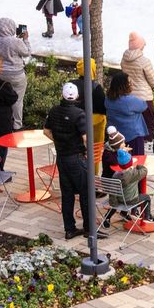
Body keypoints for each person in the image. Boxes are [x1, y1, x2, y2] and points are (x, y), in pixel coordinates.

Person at [44, 82, 102, 241]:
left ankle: (69, 229)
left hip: (62, 158)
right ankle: (89, 229)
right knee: (86, 193)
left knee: (67, 194)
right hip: (76, 158)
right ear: (76, 96)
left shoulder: (54, 111)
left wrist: (59, 142)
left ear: (63, 95)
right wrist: (88, 155)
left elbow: (46, 131)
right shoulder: (79, 113)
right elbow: (85, 139)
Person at [0, 17, 31, 131]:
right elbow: (26, 52)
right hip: (17, 75)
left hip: (0, 73)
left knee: (3, 98)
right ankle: (17, 125)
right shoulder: (16, 41)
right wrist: (25, 39)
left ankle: (4, 120)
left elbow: (5, 47)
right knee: (17, 100)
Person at [121, 33, 154, 146]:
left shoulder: (124, 59)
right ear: (140, 46)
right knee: (148, 125)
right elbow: (153, 82)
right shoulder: (144, 61)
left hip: (129, 97)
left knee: (133, 126)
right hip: (144, 98)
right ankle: (146, 149)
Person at [105, 70, 149, 155]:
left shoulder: (108, 99)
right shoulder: (129, 101)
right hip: (133, 137)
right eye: (129, 83)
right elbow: (144, 105)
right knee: (136, 162)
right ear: (123, 86)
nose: (131, 84)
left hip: (116, 138)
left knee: (120, 162)